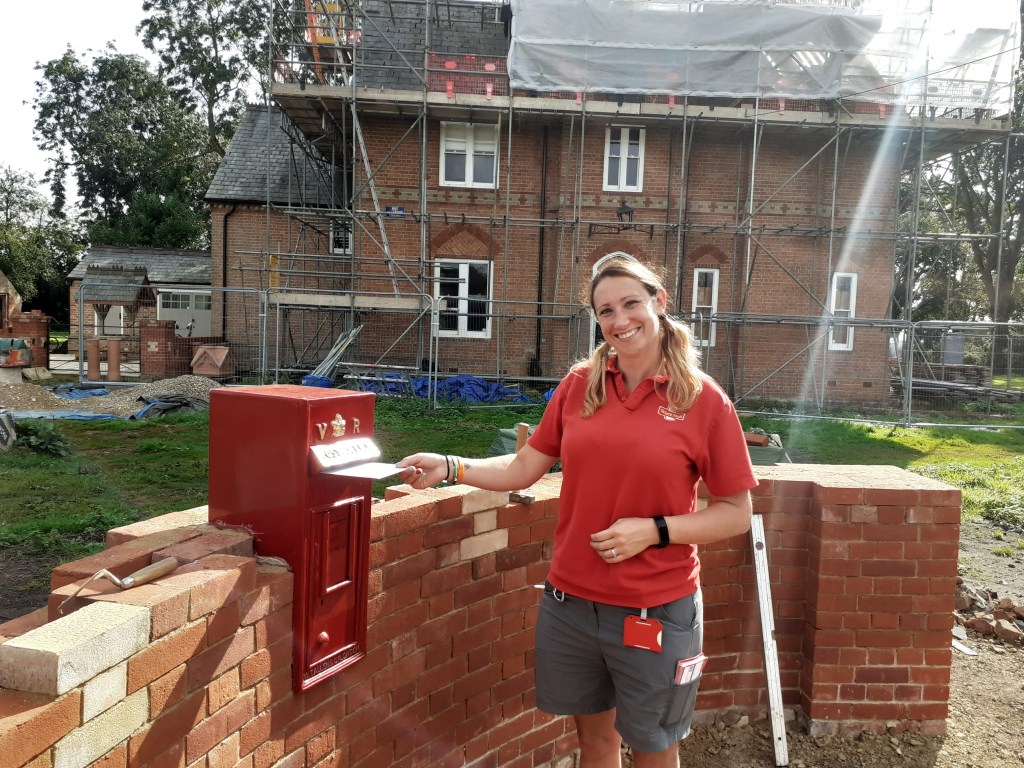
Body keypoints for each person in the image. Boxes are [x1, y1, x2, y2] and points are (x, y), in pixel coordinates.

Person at [398, 255, 757, 768]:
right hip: (571, 605)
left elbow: (736, 512)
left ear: (659, 302)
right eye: (605, 311)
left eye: (631, 303)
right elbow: (525, 465)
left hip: (654, 608)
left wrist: (654, 531)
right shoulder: (579, 385)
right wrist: (452, 465)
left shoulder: (702, 400)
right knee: (595, 744)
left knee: (655, 749)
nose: (620, 320)